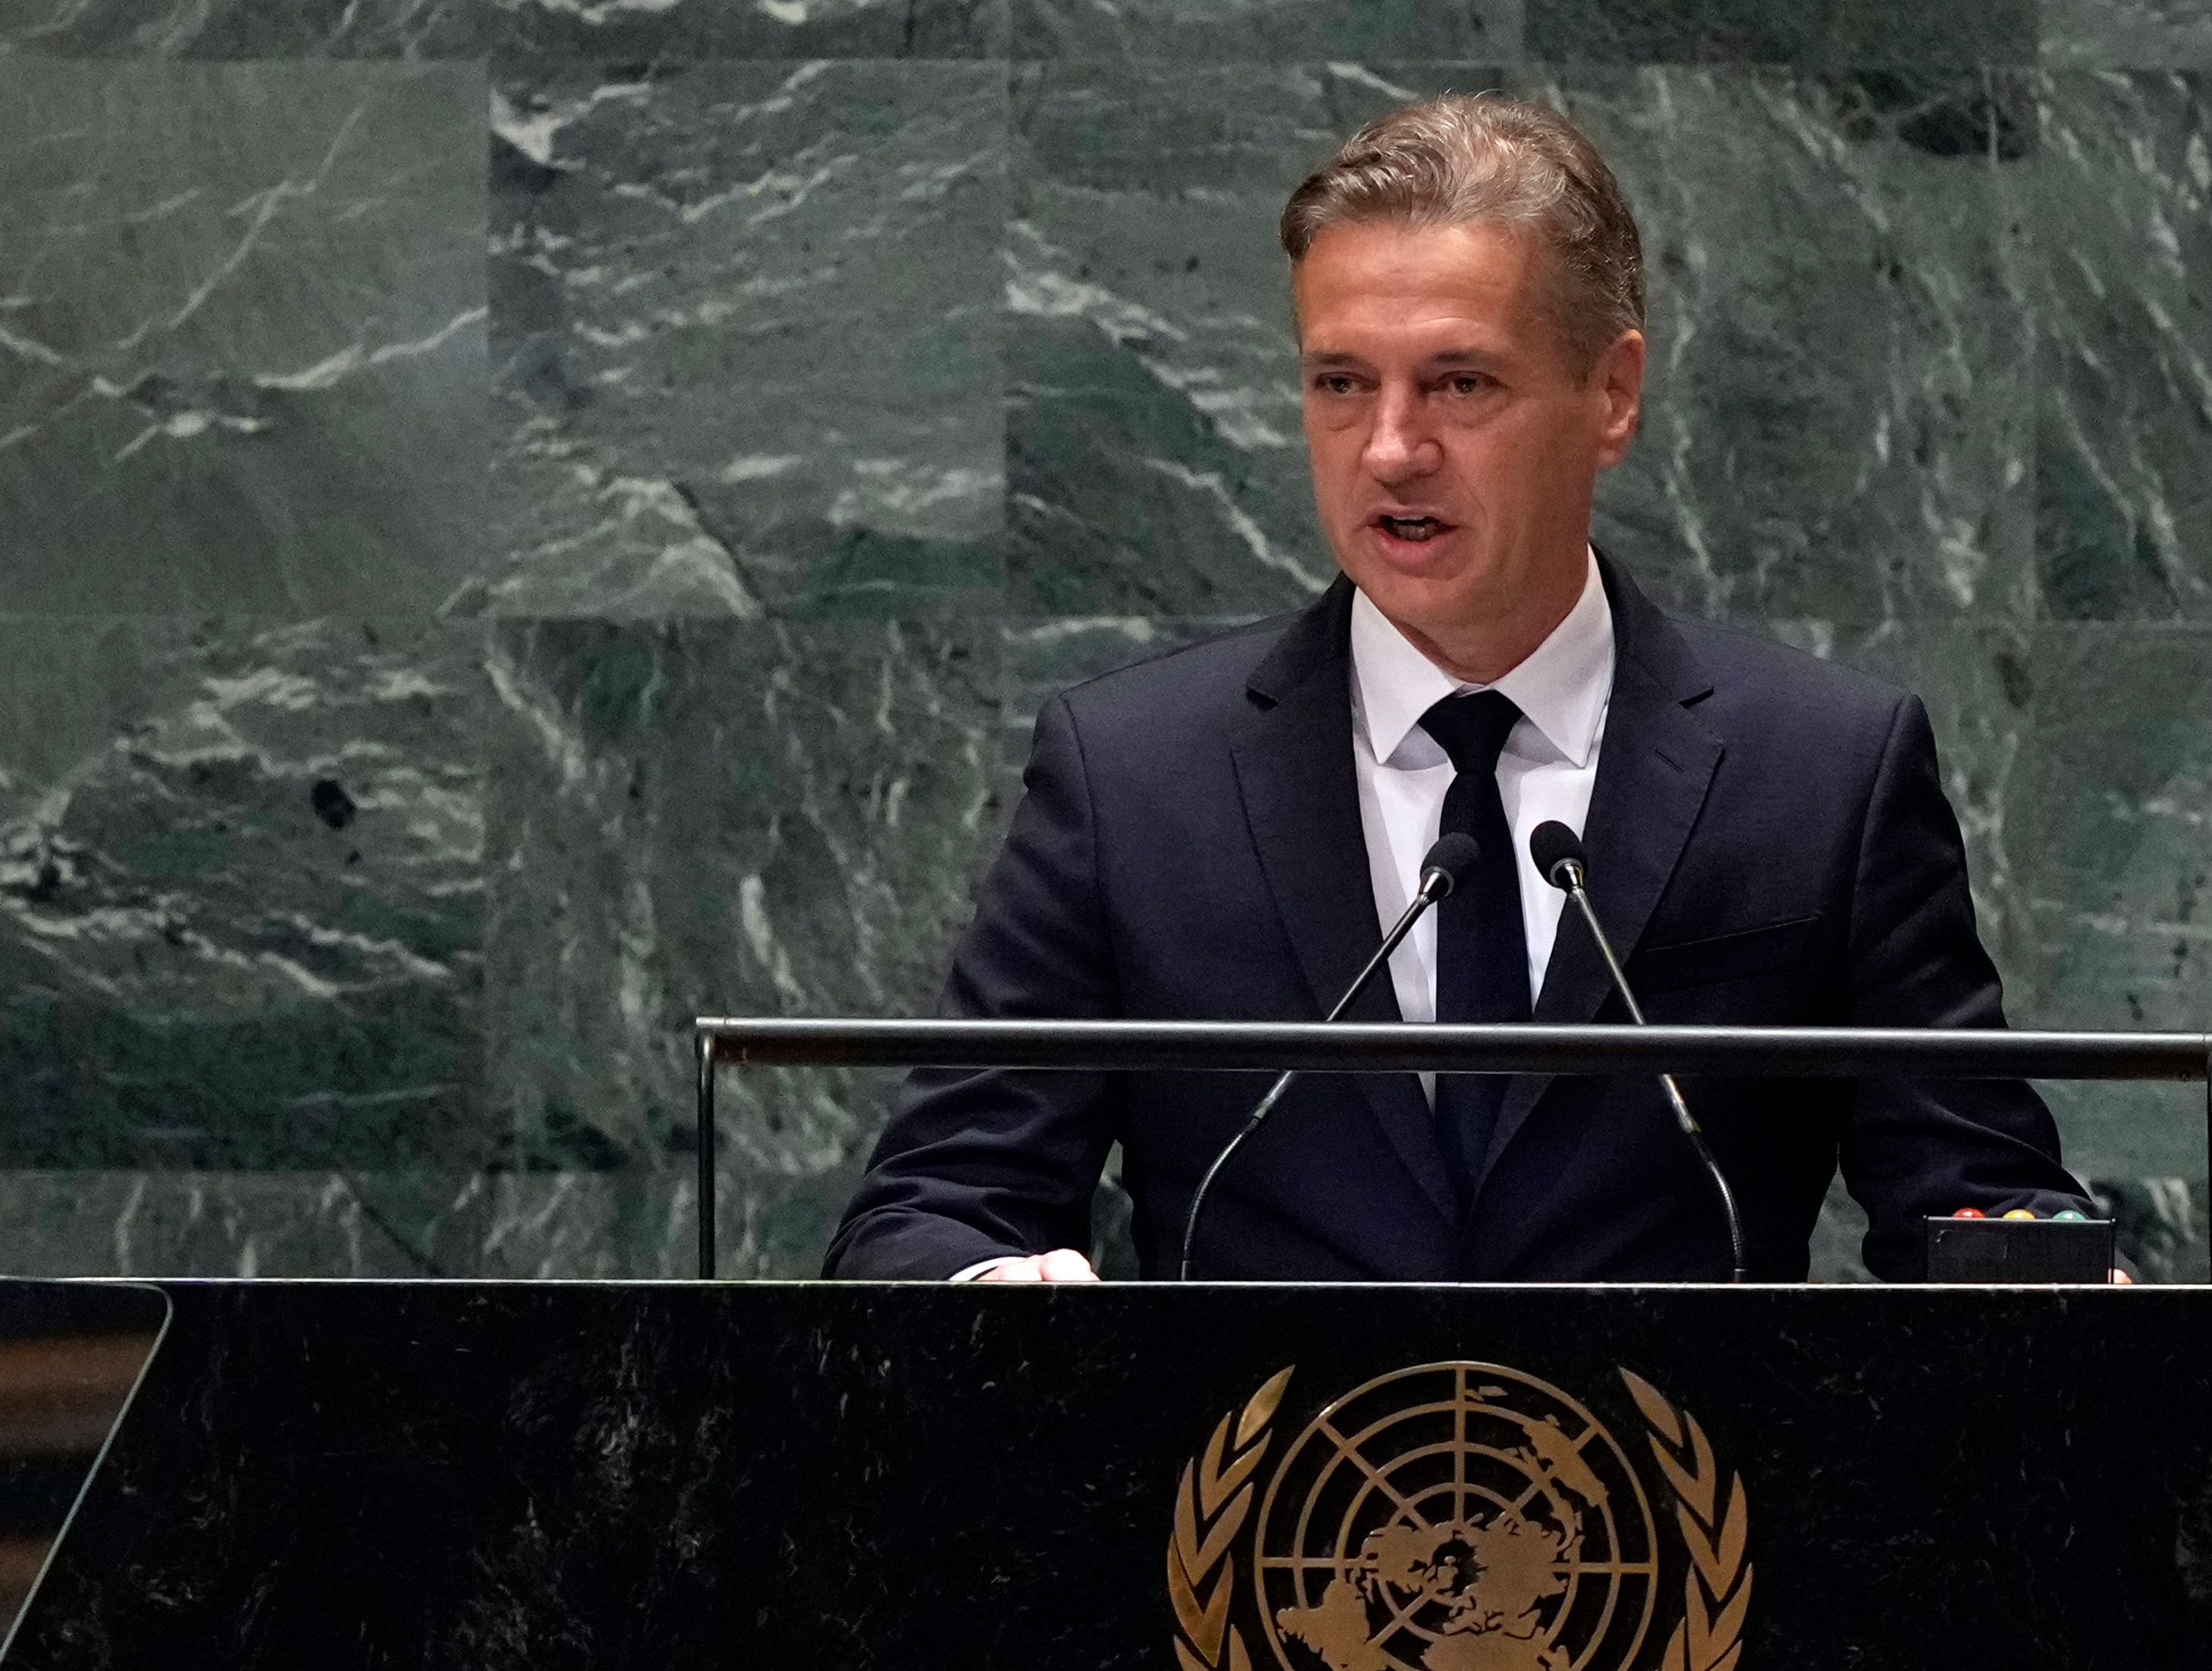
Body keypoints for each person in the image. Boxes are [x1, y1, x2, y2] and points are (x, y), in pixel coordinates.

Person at [826, 94, 2100, 1286]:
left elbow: (1974, 1194)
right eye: (1341, 384)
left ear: (1612, 393)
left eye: (1459, 383)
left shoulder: (1822, 771)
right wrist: (992, 1297)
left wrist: (2060, 1289)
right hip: (1258, 1512)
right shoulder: (1133, 776)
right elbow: (937, 1203)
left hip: (1677, 1515)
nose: (1391, 448)